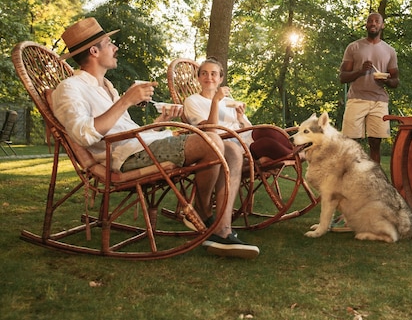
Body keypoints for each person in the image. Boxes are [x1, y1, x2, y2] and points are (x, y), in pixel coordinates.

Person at [52, 17, 259, 258]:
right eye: (109, 43)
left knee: (232, 150)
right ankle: (207, 218)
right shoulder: (69, 88)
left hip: (141, 146)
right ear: (94, 51)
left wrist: (159, 124)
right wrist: (126, 100)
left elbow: (125, 129)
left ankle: (221, 230)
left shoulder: (106, 87)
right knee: (212, 139)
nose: (115, 47)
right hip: (123, 157)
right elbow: (83, 133)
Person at [183, 57, 295, 162]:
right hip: (227, 145)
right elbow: (210, 132)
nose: (209, 77)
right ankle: (298, 155)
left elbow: (249, 129)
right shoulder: (192, 101)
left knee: (269, 131)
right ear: (198, 78)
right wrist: (215, 101)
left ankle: (295, 148)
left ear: (220, 79)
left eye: (213, 74)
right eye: (204, 73)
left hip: (243, 137)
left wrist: (241, 118)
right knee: (266, 144)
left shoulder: (228, 101)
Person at [339, 12, 399, 163]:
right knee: (352, 144)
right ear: (366, 25)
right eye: (370, 21)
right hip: (356, 99)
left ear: (382, 25)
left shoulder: (389, 51)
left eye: (377, 21)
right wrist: (360, 71)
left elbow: (395, 81)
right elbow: (342, 77)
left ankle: (374, 180)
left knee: (375, 144)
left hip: (379, 101)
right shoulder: (354, 47)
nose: (373, 23)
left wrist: (385, 80)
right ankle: (351, 179)